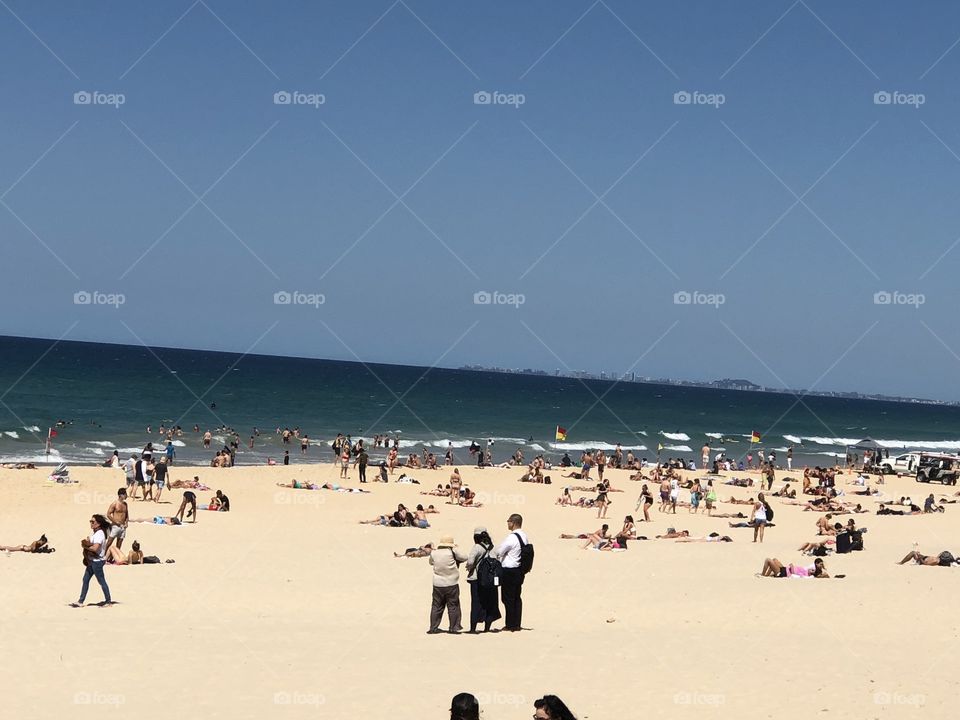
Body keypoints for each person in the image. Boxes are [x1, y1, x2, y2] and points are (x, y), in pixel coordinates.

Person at [495, 513, 528, 632]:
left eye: (508, 521)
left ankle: (510, 624)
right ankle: (516, 623)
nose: (507, 523)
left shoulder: (512, 537)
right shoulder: (524, 536)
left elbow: (500, 551)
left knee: (507, 598)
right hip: (519, 570)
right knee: (516, 598)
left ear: (513, 523)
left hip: (509, 570)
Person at [464, 526, 502, 633]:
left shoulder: (476, 547)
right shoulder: (493, 547)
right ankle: (487, 628)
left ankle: (473, 629)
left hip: (477, 579)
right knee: (490, 602)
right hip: (491, 579)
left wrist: (468, 568)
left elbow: (470, 562)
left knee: (476, 603)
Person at [427, 535, 467, 634]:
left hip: (438, 584)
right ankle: (454, 627)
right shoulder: (452, 552)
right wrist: (456, 549)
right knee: (453, 606)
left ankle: (433, 627)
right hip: (451, 583)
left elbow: (431, 562)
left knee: (436, 606)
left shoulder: (434, 553)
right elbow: (465, 557)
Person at [70, 514, 112, 607]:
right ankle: (80, 601)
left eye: (93, 522)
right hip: (92, 561)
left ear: (98, 524)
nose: (91, 523)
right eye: (90, 521)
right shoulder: (96, 533)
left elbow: (95, 548)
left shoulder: (99, 534)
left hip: (97, 562)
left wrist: (86, 545)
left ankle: (108, 601)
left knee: (101, 581)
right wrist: (89, 542)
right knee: (85, 580)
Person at [103, 487, 129, 555]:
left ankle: (115, 557)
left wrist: (126, 523)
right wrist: (115, 522)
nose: (127, 495)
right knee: (109, 542)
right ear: (121, 495)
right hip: (115, 526)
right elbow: (108, 514)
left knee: (119, 543)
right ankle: (102, 555)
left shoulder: (125, 504)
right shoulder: (115, 504)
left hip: (123, 526)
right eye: (125, 494)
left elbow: (126, 515)